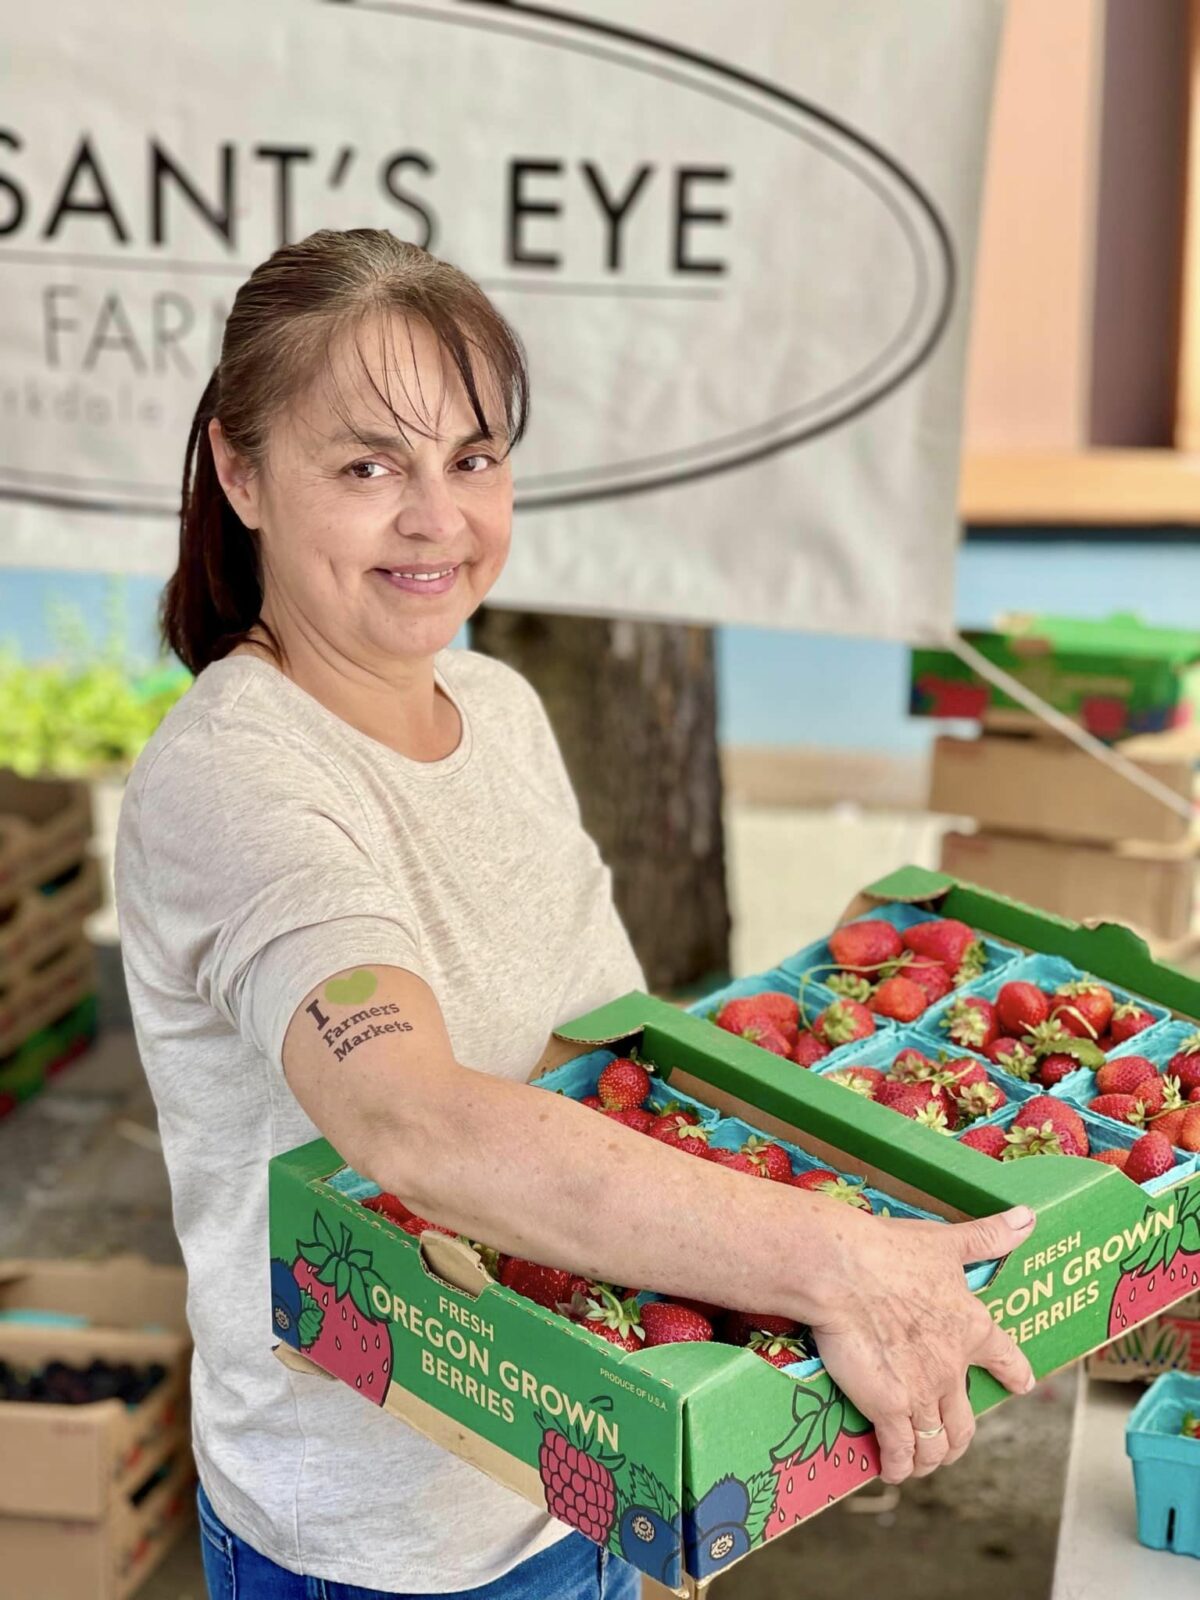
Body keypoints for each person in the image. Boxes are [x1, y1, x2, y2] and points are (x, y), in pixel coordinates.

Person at [114, 228, 1036, 1600]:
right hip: (387, 1556)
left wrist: (711, 1377)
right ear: (242, 474)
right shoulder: (236, 780)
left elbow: (605, 1069)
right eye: (369, 466)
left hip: (578, 1471)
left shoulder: (497, 705)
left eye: (472, 459)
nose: (437, 517)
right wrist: (828, 1261)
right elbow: (409, 1122)